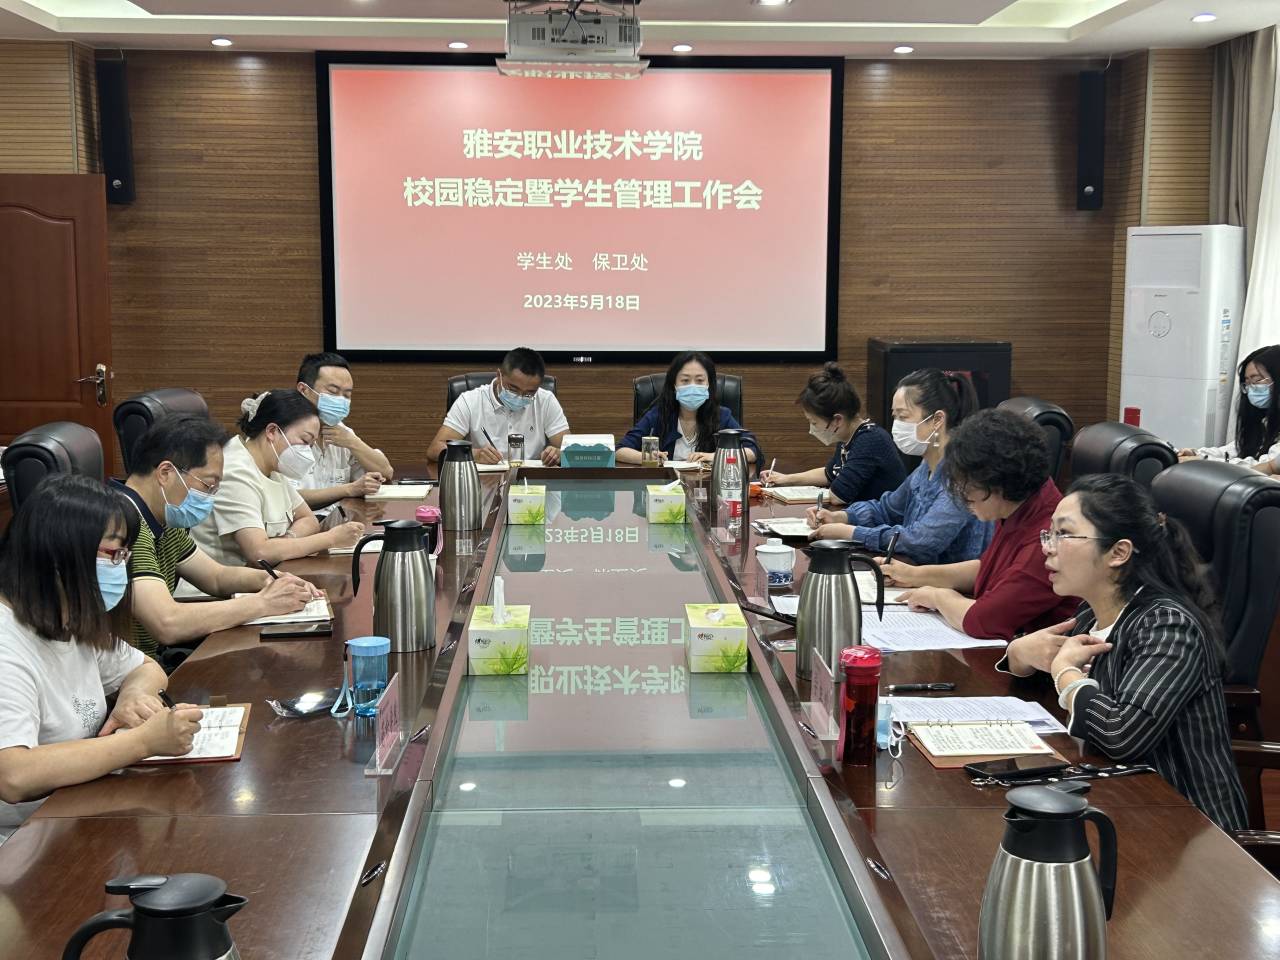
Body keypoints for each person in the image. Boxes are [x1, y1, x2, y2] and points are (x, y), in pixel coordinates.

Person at [999, 474, 1247, 831]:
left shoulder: (1168, 626)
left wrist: (1065, 673)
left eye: (1064, 534)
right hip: (1116, 800)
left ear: (1118, 553)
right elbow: (1053, 694)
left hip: (1188, 828)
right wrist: (1020, 654)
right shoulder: (1091, 613)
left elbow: (1121, 734)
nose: (1048, 548)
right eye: (1048, 534)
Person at [0, 475, 204, 836]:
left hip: (78, 815)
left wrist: (133, 697)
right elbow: (13, 775)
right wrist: (141, 742)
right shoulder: (7, 640)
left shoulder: (68, 616)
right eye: (113, 554)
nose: (120, 567)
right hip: (20, 841)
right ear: (58, 553)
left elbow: (146, 667)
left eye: (125, 555)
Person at [113, 415, 317, 660]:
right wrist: (263, 603)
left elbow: (216, 577)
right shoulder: (121, 524)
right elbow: (167, 623)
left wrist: (271, 579)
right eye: (208, 485)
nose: (211, 496)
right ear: (165, 473)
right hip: (126, 670)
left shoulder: (163, 517)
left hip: (146, 662)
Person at [880, 409, 1078, 640]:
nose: (960, 493)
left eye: (966, 485)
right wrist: (914, 575)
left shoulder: (1047, 536)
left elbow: (983, 620)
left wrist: (939, 597)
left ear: (998, 482)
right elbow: (990, 569)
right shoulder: (1020, 504)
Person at [807, 368, 992, 564]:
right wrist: (842, 517)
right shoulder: (925, 467)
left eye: (903, 417)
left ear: (937, 420)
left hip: (944, 580)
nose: (897, 426)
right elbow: (887, 509)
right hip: (912, 571)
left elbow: (920, 541)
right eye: (895, 416)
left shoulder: (961, 476)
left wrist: (852, 532)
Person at [191, 390, 364, 566]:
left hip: (265, 574)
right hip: (226, 581)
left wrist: (285, 542)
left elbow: (309, 520)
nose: (307, 453)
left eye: (311, 445)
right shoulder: (234, 471)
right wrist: (331, 538)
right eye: (305, 441)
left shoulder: (272, 465)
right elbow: (259, 553)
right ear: (272, 431)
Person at [759, 362, 905, 505]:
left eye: (814, 422)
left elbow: (839, 496)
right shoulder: (848, 436)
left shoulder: (870, 440)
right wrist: (786, 479)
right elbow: (829, 474)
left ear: (837, 420)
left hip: (883, 519)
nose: (812, 429)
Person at [427, 347, 569, 466]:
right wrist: (474, 454)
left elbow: (571, 452)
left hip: (532, 484)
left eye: (529, 393)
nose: (520, 396)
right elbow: (435, 449)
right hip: (483, 484)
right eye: (513, 389)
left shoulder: (546, 400)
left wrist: (559, 454)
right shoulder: (470, 401)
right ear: (499, 375)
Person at [617, 351, 761, 466]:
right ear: (674, 385)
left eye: (699, 380)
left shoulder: (721, 416)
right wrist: (648, 457)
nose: (692, 386)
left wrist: (714, 457)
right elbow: (620, 450)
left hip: (708, 488)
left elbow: (752, 451)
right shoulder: (659, 415)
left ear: (709, 384)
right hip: (665, 487)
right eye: (685, 380)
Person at [293, 351, 393, 511]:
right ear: (304, 390)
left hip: (339, 520)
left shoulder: (342, 431)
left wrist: (353, 442)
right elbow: (288, 497)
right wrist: (349, 489)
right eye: (333, 392)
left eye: (347, 395)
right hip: (300, 522)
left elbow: (386, 472)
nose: (340, 400)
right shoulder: (284, 434)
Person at [1178, 345, 1280, 474]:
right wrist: (1196, 453)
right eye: (1247, 383)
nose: (1250, 389)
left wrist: (1203, 460)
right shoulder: (1264, 420)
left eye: (1256, 380)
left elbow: (1265, 466)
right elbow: (1236, 449)